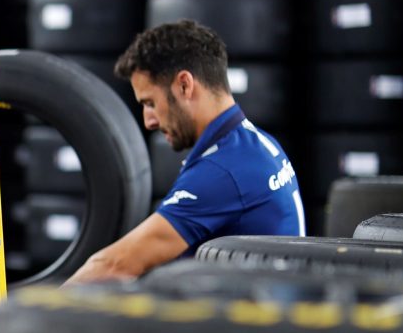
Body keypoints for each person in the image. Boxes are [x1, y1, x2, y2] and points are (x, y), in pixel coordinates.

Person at [67, 19, 304, 284]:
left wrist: (32, 313)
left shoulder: (223, 172)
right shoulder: (257, 144)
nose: (149, 121)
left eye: (150, 103)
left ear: (184, 85)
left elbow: (115, 265)